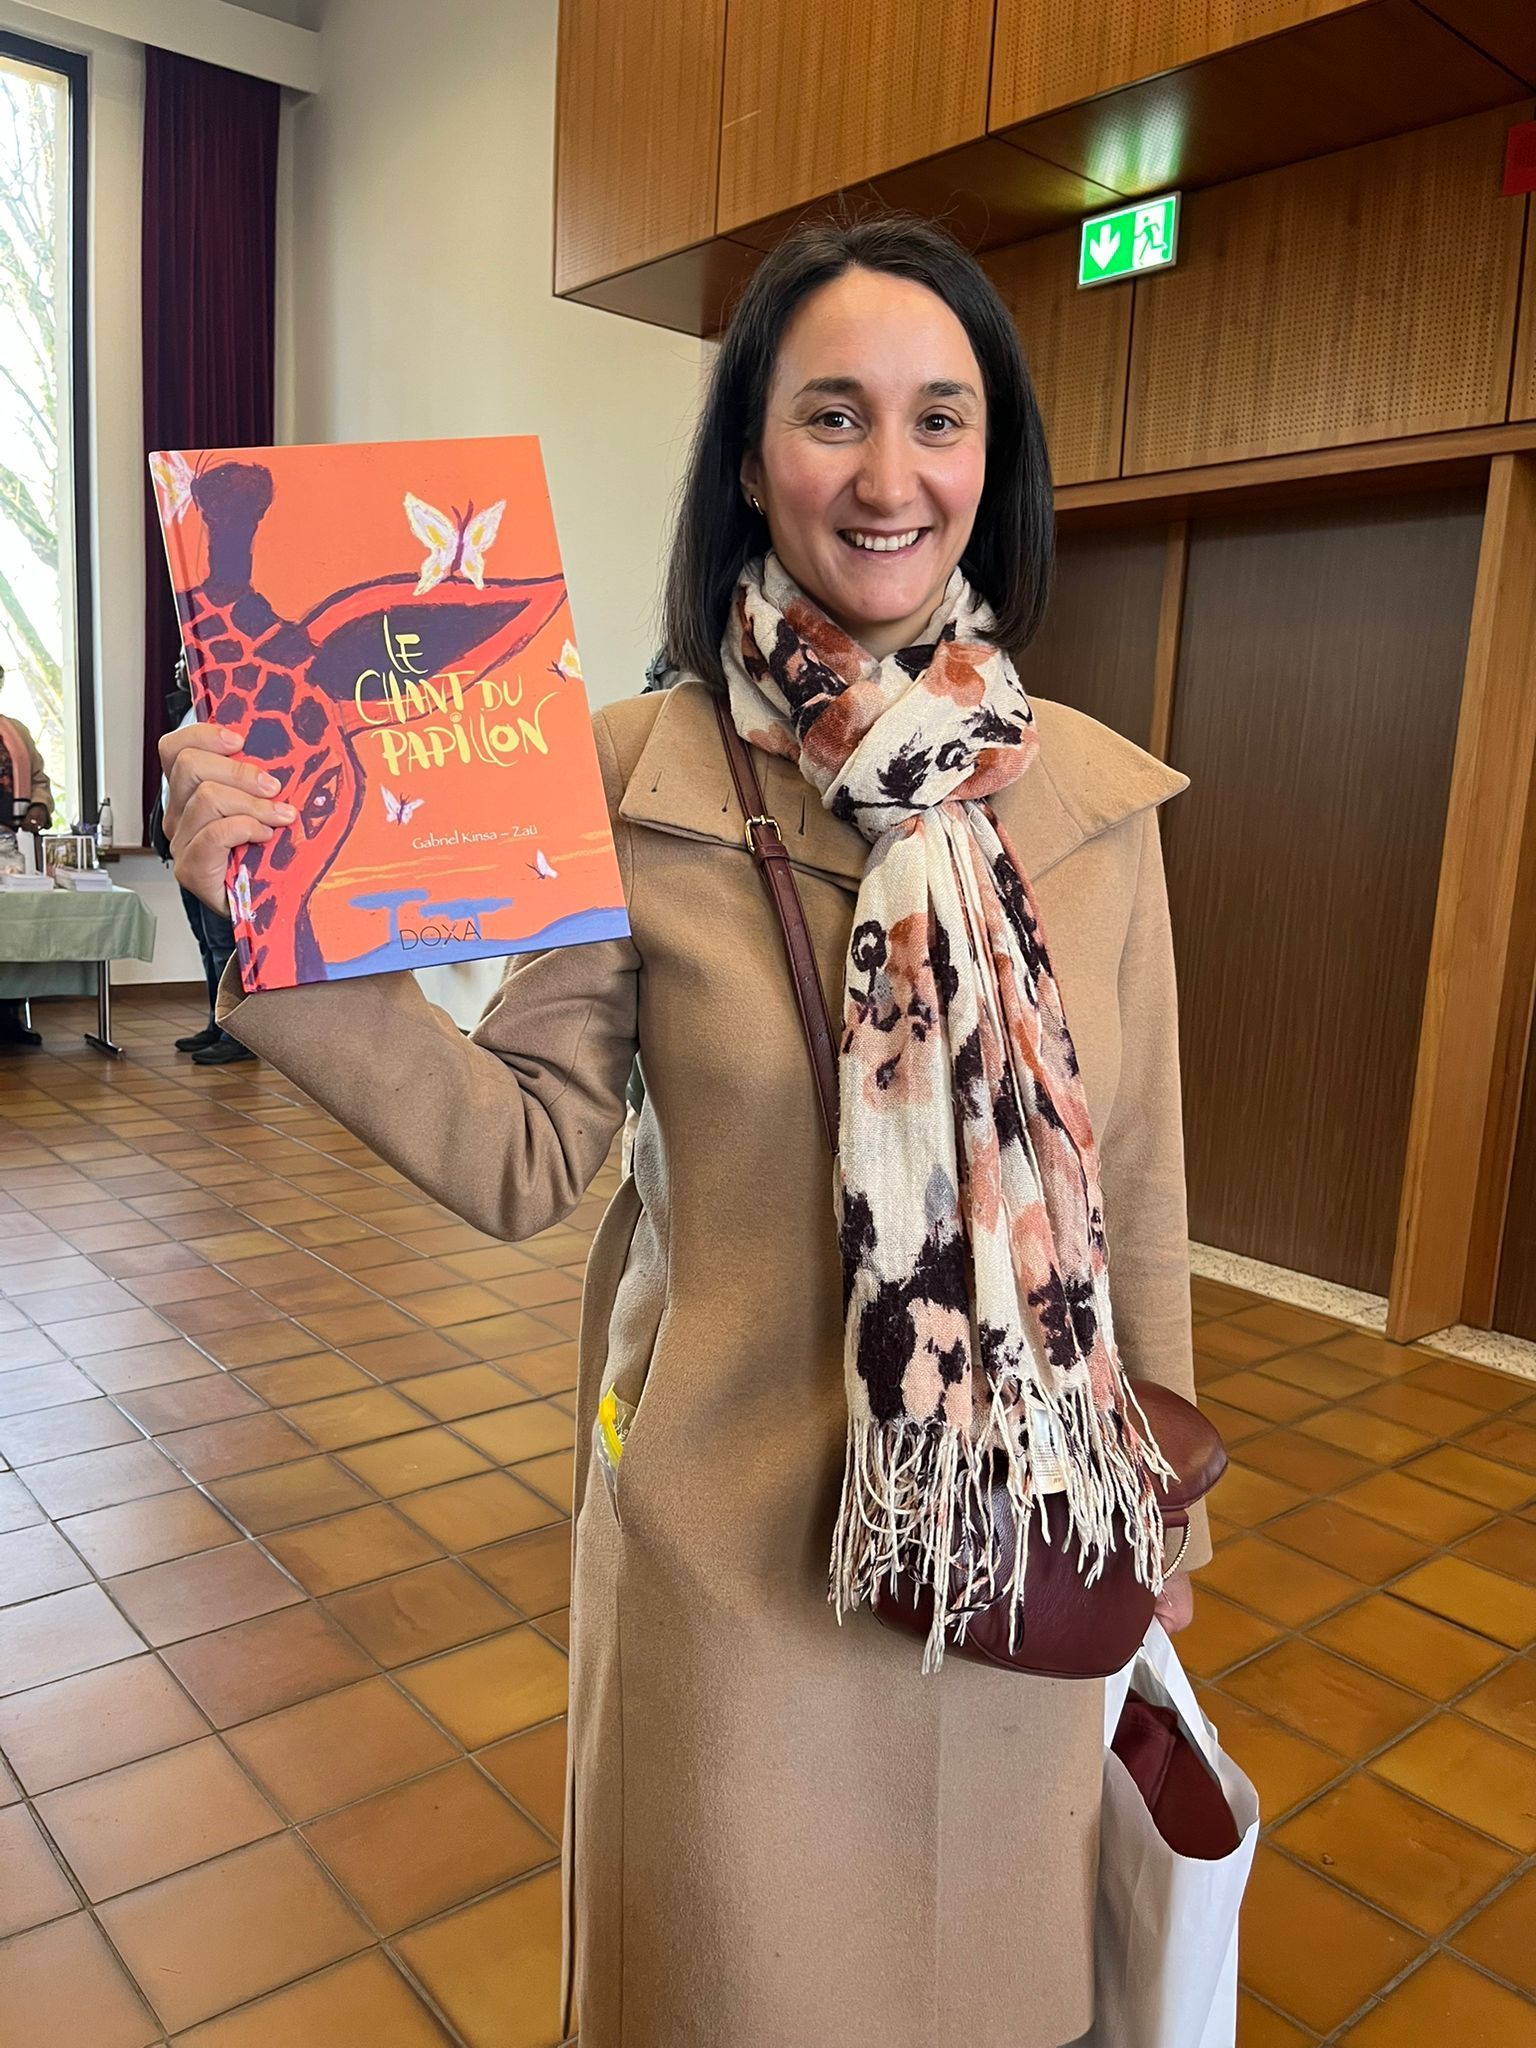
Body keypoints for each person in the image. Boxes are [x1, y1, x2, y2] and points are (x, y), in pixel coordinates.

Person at [161, 214, 1207, 2048]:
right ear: (747, 457)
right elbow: (524, 1149)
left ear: (995, 460)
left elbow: (1135, 1189)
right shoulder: (631, 782)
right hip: (741, 1587)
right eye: (832, 414)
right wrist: (266, 919)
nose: (889, 476)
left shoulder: (1091, 811)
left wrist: (1159, 1523)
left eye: (940, 419)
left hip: (1014, 1561)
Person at [148, 661, 254, 1064]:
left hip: (219, 852)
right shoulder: (186, 713)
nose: (178, 666)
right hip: (186, 848)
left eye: (184, 659)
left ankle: (239, 1035)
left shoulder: (225, 711)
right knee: (207, 944)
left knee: (225, 946)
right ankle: (216, 1022)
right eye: (175, 659)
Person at [0, 665, 55, 1049]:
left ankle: (10, 1018)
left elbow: (39, 779)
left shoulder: (15, 732)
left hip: (11, 845)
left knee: (15, 932)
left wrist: (38, 806)